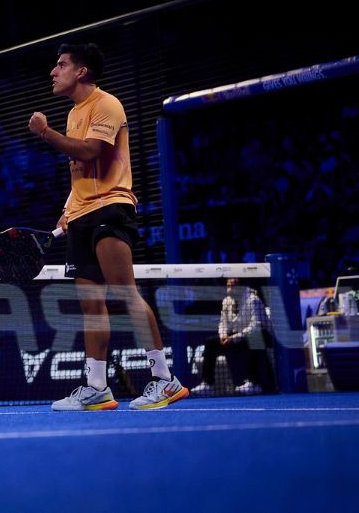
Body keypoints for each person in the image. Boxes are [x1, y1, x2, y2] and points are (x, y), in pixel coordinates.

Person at [28, 42, 188, 410]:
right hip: (82, 214)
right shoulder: (74, 113)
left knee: (124, 292)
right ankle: (97, 387)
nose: (53, 71)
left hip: (110, 208)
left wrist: (44, 132)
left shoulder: (107, 104)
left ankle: (165, 379)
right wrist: (68, 208)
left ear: (81, 71)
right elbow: (82, 173)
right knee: (91, 305)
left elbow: (89, 151)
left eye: (61, 64)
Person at [190, 277, 273, 396]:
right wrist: (223, 335)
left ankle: (254, 383)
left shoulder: (253, 300)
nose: (230, 289)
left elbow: (256, 326)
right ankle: (208, 385)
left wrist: (234, 338)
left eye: (233, 285)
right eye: (228, 285)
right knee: (211, 343)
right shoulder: (227, 301)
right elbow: (223, 322)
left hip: (261, 337)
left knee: (254, 338)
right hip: (239, 337)